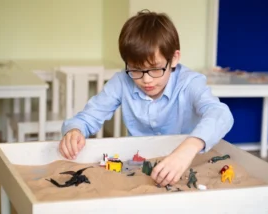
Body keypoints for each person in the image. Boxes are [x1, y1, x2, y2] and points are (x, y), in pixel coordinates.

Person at [59, 9, 234, 187]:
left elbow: (221, 114)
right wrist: (75, 131)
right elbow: (88, 117)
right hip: (138, 167)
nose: (146, 80)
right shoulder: (121, 81)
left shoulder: (190, 82)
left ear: (174, 59)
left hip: (184, 163)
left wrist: (188, 148)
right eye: (135, 69)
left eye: (156, 68)